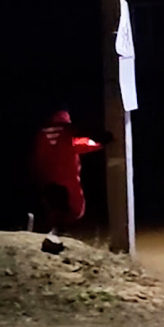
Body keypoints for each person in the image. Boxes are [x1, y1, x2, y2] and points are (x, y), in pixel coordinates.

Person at [32, 109, 111, 254]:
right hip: (67, 181)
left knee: (54, 211)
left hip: (47, 180)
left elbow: (37, 157)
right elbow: (83, 143)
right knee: (72, 211)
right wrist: (102, 142)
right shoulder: (68, 133)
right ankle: (55, 238)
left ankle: (53, 235)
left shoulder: (40, 135)